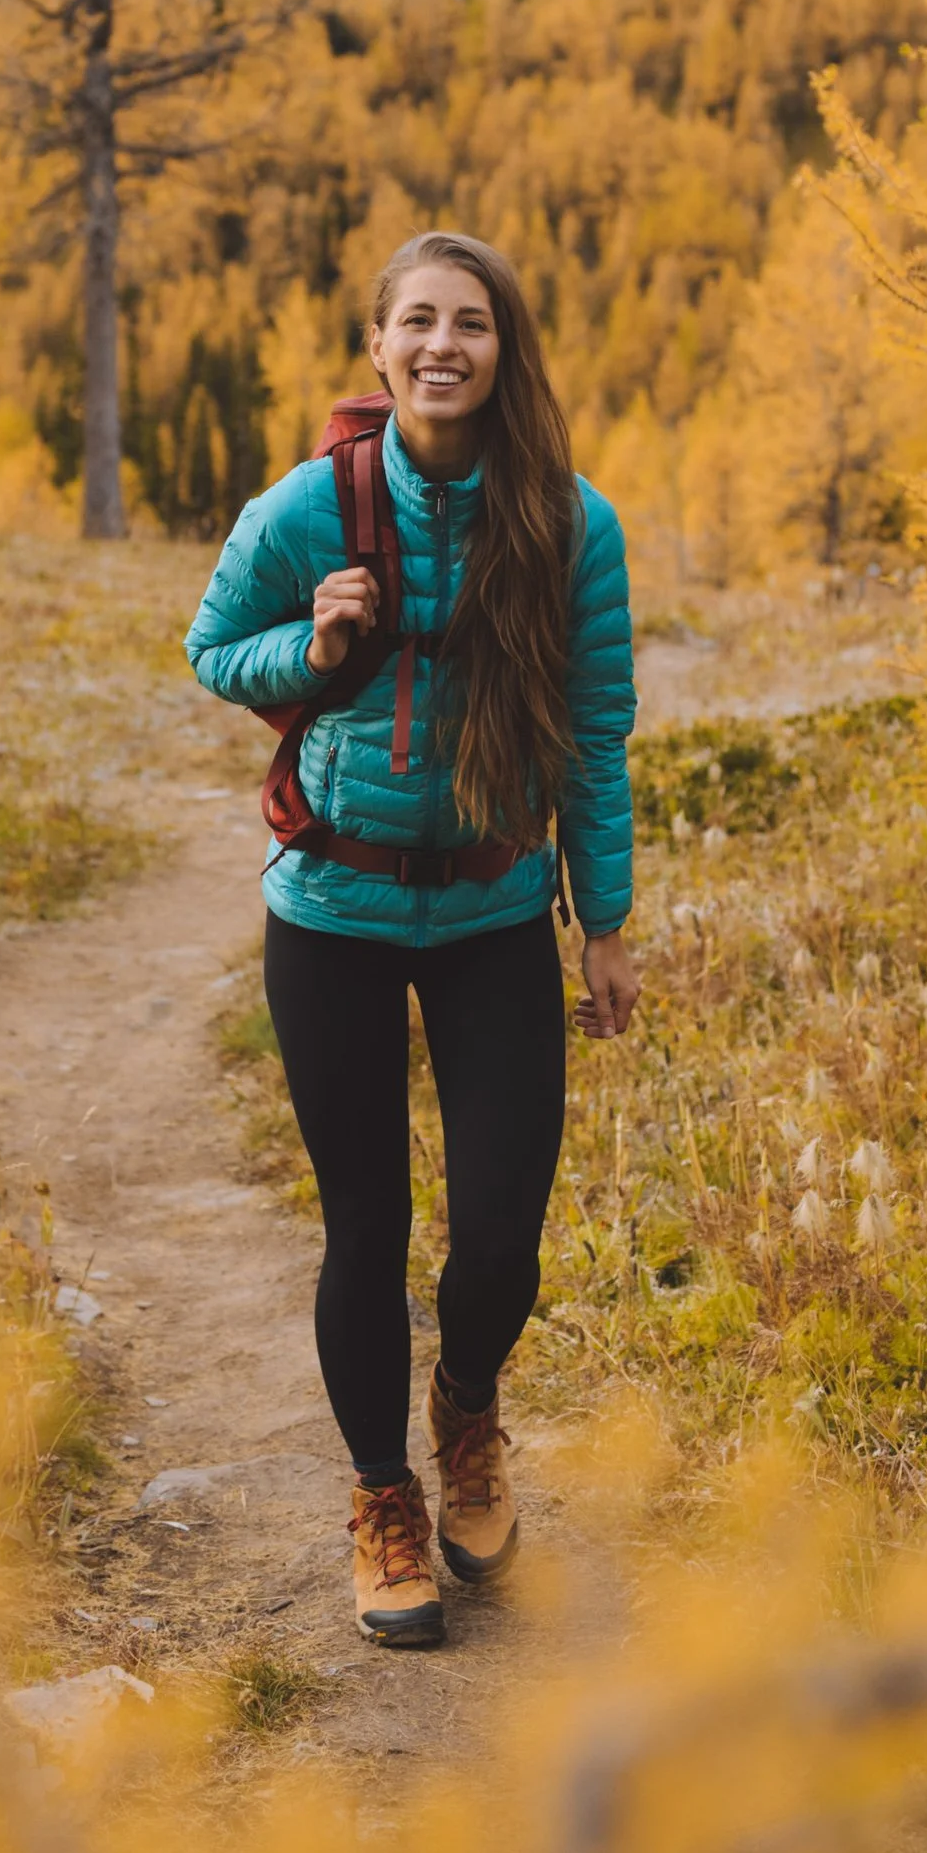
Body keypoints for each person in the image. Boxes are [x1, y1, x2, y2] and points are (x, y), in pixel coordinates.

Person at [186, 231, 639, 1649]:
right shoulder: (308, 507)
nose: (446, 346)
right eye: (420, 323)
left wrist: (603, 921)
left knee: (500, 1238)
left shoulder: (573, 523)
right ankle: (385, 1498)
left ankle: (468, 1413)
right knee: (366, 1227)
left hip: (498, 911)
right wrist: (311, 653)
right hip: (333, 915)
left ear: (507, 351)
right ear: (377, 347)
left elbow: (597, 734)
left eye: (474, 325)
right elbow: (211, 651)